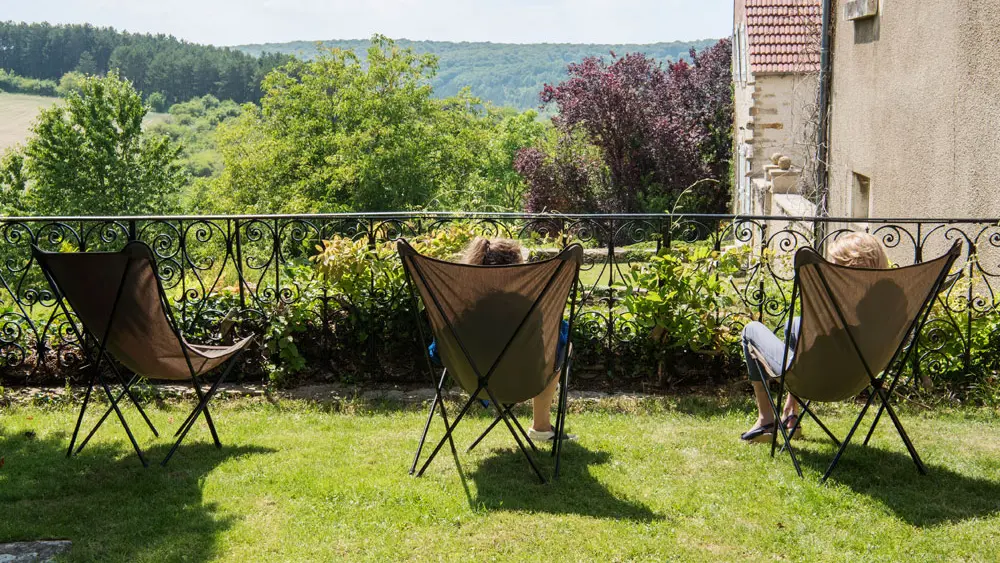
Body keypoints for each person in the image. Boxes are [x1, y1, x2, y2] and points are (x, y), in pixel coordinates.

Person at [740, 232, 889, 443]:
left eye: (835, 264)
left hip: (815, 382)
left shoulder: (837, 300)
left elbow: (816, 347)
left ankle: (766, 421)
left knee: (751, 330)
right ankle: (790, 412)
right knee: (795, 324)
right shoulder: (889, 305)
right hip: (856, 381)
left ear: (848, 265)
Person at [427, 237, 574, 442]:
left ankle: (541, 427)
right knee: (564, 344)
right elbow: (546, 349)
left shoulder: (460, 308)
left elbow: (436, 353)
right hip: (523, 382)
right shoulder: (530, 307)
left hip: (471, 381)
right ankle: (541, 425)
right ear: (515, 271)